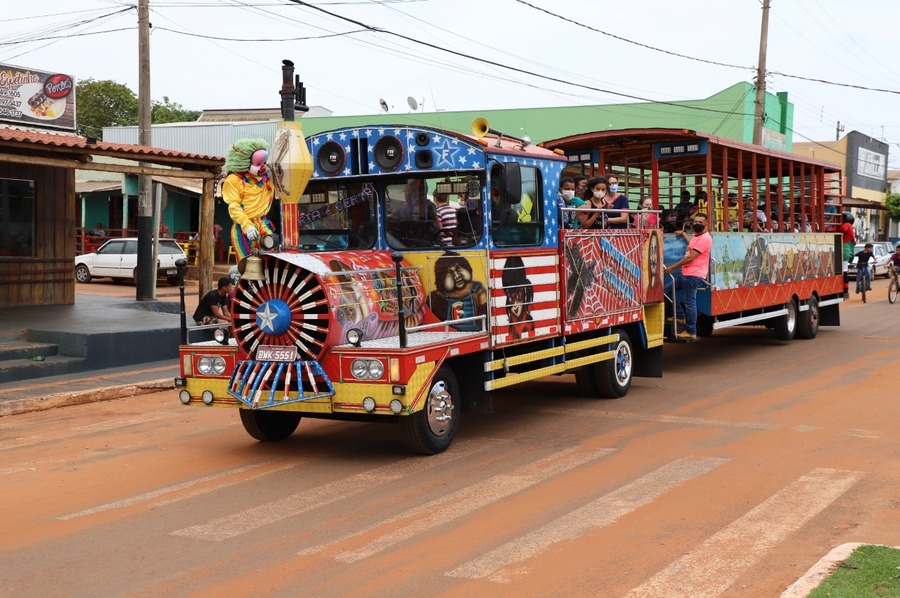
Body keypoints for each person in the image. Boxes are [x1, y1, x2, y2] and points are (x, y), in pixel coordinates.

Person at [221, 138, 276, 273]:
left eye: (263, 163)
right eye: (258, 164)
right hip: (243, 228)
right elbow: (233, 206)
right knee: (248, 267)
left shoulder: (265, 181)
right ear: (246, 162)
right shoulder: (234, 180)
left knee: (271, 258)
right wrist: (247, 225)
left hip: (262, 224)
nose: (262, 167)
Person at [663, 213, 711, 341]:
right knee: (667, 291)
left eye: (700, 222)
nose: (697, 224)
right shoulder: (697, 237)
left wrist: (672, 267)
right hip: (686, 273)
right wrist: (684, 234)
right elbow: (692, 245)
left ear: (706, 224)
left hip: (693, 274)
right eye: (695, 221)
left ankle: (691, 331)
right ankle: (680, 315)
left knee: (690, 303)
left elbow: (691, 257)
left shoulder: (705, 238)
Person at [839, 211, 856, 298]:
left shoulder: (847, 225)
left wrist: (838, 227)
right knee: (845, 271)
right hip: (847, 253)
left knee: (843, 271)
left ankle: (845, 291)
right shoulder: (851, 228)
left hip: (844, 252)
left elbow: (843, 229)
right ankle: (845, 291)